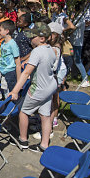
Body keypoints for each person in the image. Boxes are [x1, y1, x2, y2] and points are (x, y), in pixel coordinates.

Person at [9, 22, 56, 152]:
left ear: (42, 38)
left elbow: (26, 72)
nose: (30, 39)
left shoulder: (37, 51)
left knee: (24, 112)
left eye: (32, 37)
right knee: (45, 116)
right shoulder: (51, 50)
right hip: (49, 87)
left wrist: (15, 91)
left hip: (38, 89)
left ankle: (23, 140)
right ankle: (44, 145)